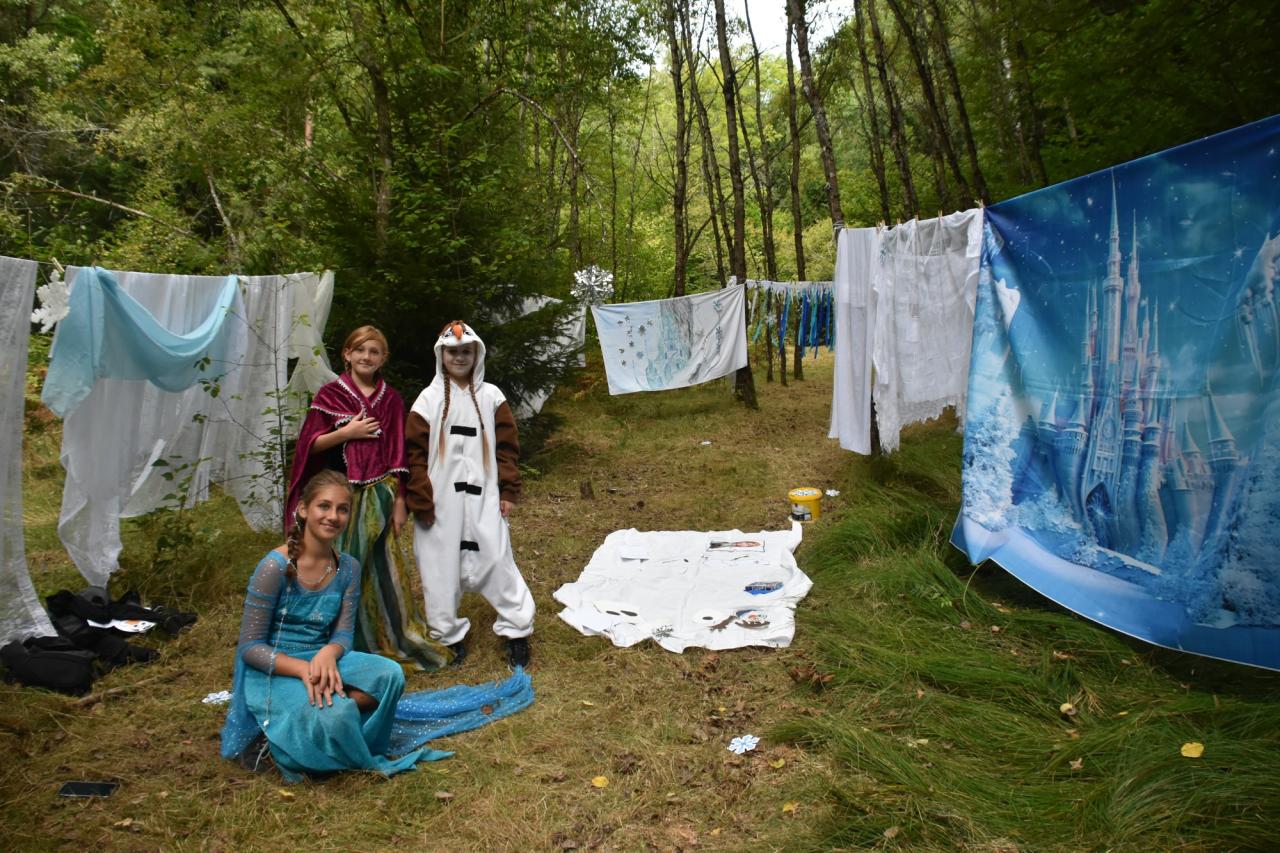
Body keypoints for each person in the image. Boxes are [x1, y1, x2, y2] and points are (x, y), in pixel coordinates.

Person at [220, 470, 433, 781]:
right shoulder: (274, 566)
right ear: (303, 509)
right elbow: (250, 647)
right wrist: (303, 670)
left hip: (322, 659)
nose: (333, 516)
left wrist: (328, 654)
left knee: (390, 676)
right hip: (276, 667)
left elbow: (343, 633)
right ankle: (281, 737)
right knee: (340, 713)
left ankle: (324, 721)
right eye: (324, 506)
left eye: (342, 509)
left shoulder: (348, 568)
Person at [286, 326, 448, 671]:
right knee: (340, 566)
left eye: (374, 352)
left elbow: (399, 454)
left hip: (379, 497)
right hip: (339, 499)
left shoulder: (391, 400)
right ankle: (330, 640)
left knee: (381, 567)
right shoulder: (330, 394)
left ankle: (385, 635)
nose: (366, 357)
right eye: (360, 350)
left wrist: (401, 501)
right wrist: (346, 433)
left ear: (383, 358)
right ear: (346, 354)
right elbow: (308, 446)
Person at [405, 321, 535, 668]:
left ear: (476, 354)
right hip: (439, 500)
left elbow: (507, 448)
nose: (459, 357)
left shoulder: (492, 397)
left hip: (484, 496)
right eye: (452, 352)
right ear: (441, 355)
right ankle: (448, 635)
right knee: (438, 566)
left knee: (497, 558)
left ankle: (517, 631)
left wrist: (508, 488)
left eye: (466, 351)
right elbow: (414, 454)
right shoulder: (428, 399)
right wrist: (420, 498)